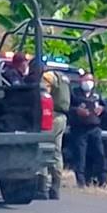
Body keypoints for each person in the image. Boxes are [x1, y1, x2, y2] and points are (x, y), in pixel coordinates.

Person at [35, 68, 71, 200]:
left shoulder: (48, 76)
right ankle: (55, 187)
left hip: (52, 116)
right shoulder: (64, 78)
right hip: (62, 117)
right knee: (56, 151)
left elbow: (44, 94)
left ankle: (42, 187)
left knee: (43, 148)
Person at [69, 73, 106, 188]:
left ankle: (102, 180)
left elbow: (106, 107)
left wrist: (102, 108)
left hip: (94, 128)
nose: (88, 82)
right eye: (85, 80)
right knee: (80, 156)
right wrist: (76, 111)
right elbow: (67, 107)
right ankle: (81, 181)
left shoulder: (97, 94)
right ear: (80, 81)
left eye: (90, 80)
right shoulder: (74, 93)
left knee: (99, 154)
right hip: (79, 129)